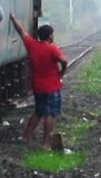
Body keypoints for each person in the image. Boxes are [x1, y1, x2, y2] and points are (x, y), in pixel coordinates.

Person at [11, 15, 67, 147]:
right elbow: (64, 60)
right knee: (50, 114)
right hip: (52, 86)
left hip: (38, 85)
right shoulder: (52, 48)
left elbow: (21, 31)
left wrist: (13, 19)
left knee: (38, 111)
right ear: (50, 36)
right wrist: (62, 72)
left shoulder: (32, 45)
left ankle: (26, 137)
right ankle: (46, 143)